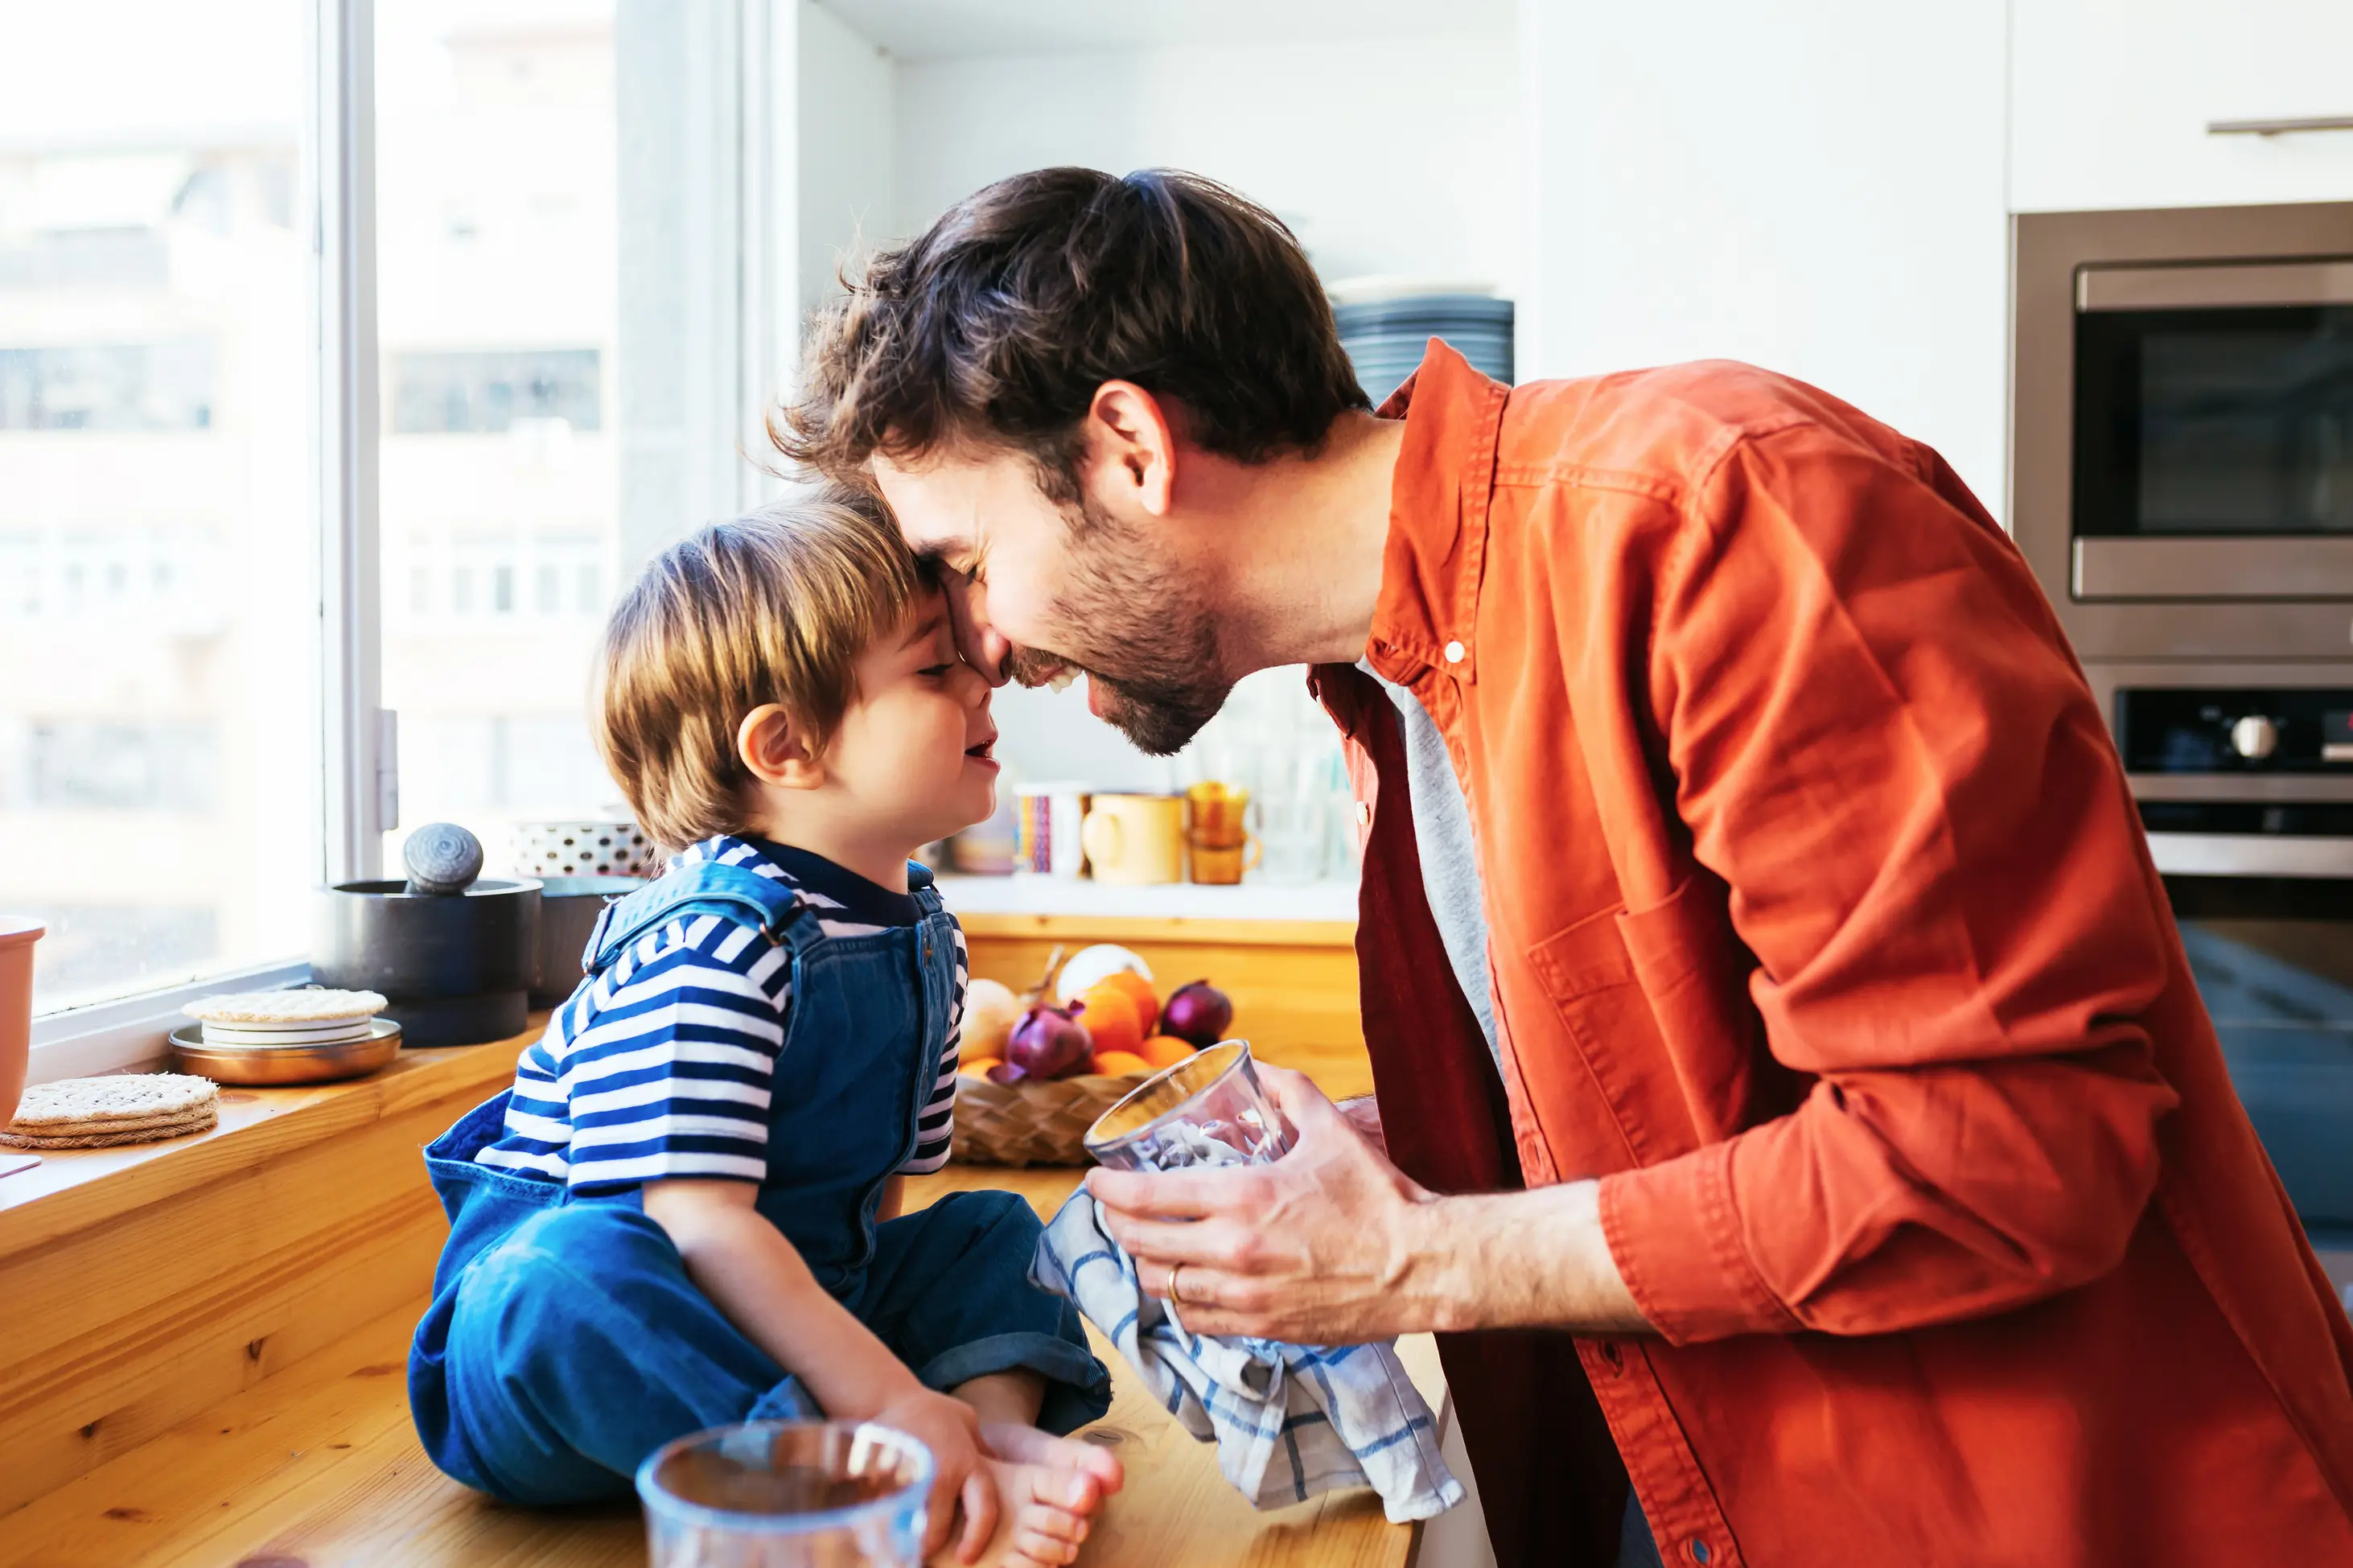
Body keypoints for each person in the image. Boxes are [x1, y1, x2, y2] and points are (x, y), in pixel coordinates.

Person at [775, 167, 2353, 1567]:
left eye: (971, 565)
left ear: (1125, 445)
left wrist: (1416, 1255)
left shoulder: (1720, 510)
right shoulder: (1384, 691)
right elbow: (1693, 1097)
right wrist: (1387, 1157)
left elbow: (1993, 1151)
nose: (983, 641)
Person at [406, 488, 1118, 1568]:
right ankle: (861, 1487)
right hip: (594, 1355)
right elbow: (696, 1226)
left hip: (786, 1313)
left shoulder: (925, 934)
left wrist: (881, 1366)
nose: (986, 677)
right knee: (553, 1281)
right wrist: (883, 1397)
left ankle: (977, 1431)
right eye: (936, 671)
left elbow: (877, 1202)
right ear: (786, 746)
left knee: (996, 1233)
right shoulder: (713, 941)